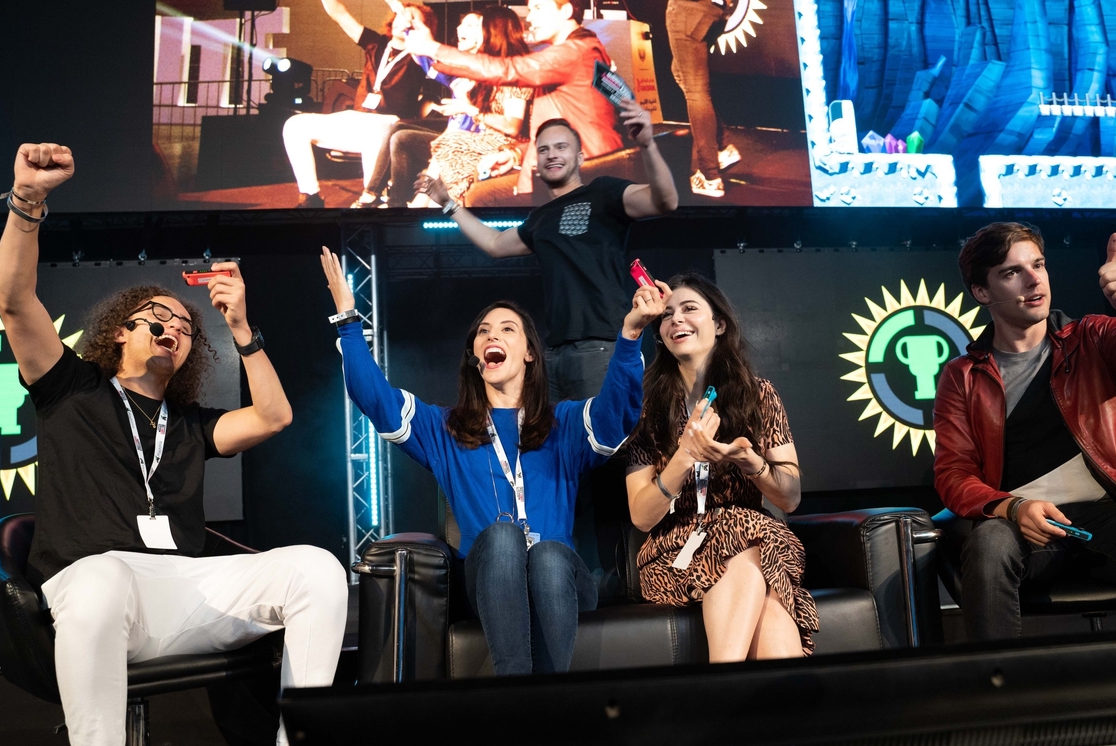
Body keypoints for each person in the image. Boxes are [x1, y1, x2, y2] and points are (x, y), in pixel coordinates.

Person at [0, 143, 348, 746]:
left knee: (317, 569)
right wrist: (28, 201)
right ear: (117, 333)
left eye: (184, 326)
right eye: (155, 318)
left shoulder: (188, 424)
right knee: (101, 577)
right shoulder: (70, 386)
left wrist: (241, 329)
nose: (171, 329)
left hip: (181, 592)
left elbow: (274, 417)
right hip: (95, 585)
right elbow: (13, 301)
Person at [322, 246, 667, 674]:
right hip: (486, 581)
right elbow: (375, 399)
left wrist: (631, 334)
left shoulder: (562, 424)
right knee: (503, 537)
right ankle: (522, 688)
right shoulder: (444, 429)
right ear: (475, 356)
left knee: (548, 555)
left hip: (562, 579)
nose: (491, 337)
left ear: (529, 353)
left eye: (507, 329)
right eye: (483, 332)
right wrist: (348, 320)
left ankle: (530, 698)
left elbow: (617, 413)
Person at [933, 223, 1116, 641]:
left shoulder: (1091, 337)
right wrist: (1012, 508)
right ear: (981, 292)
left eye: (1038, 265)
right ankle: (999, 679)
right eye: (1011, 272)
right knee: (988, 546)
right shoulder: (961, 377)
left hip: (1108, 512)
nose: (1034, 280)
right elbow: (953, 475)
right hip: (1021, 520)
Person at [415, 114, 677, 402]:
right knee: (554, 432)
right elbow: (495, 243)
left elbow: (664, 201)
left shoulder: (602, 192)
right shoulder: (540, 219)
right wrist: (448, 204)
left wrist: (647, 144)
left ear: (580, 157)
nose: (552, 154)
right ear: (536, 163)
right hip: (554, 353)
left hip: (600, 345)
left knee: (601, 431)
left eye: (561, 147)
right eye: (543, 150)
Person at [625, 274, 817, 661]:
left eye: (689, 309)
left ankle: (724, 687)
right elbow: (641, 516)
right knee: (753, 548)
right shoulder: (646, 406)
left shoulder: (758, 395)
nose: (676, 319)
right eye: (666, 315)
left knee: (752, 547)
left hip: (754, 540)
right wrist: (684, 456)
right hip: (676, 549)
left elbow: (791, 497)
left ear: (719, 324)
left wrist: (752, 463)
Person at [402, 0, 622, 196]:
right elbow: (620, 103)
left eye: (538, 7)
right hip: (571, 166)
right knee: (479, 197)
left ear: (565, 11)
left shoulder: (575, 52)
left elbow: (508, 70)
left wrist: (434, 48)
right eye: (530, 9)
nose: (530, 17)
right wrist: (515, 154)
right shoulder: (588, 49)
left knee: (479, 198)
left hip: (582, 172)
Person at [364, 7, 533, 208]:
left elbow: (512, 125)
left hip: (493, 139)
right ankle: (404, 201)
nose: (464, 29)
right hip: (474, 133)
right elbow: (432, 61)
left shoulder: (510, 71)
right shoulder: (483, 67)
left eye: (477, 27)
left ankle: (415, 202)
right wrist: (415, 30)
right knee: (406, 131)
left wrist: (468, 108)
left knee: (436, 139)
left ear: (494, 32)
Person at [282, 0, 437, 208]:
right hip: (357, 119)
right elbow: (339, 13)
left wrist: (408, 21)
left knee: (378, 131)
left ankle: (372, 198)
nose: (403, 20)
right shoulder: (375, 43)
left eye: (411, 18)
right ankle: (311, 196)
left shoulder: (420, 55)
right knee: (294, 125)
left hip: (390, 124)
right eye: (400, 15)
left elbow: (426, 49)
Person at [666, 0, 742, 198]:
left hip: (690, 9)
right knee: (680, 72)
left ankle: (710, 176)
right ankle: (722, 148)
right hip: (717, 9)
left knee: (695, 89)